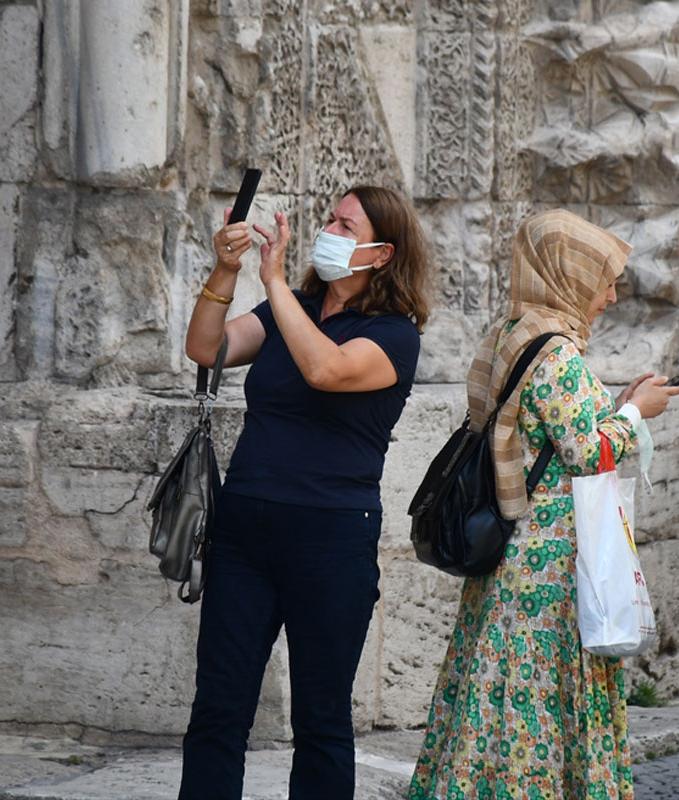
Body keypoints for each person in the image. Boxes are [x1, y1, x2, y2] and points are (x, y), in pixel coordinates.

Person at [408, 209, 679, 799]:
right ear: (568, 276)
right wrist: (636, 414)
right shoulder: (555, 352)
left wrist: (615, 402)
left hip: (512, 562)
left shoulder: (513, 332)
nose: (609, 295)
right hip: (544, 574)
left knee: (493, 697)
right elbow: (587, 451)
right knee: (534, 705)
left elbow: (545, 434)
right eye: (602, 279)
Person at [179, 185, 431, 799]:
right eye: (330, 219)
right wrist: (226, 268)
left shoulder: (395, 334)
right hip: (244, 531)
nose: (328, 230)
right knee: (218, 708)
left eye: (345, 226)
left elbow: (325, 369)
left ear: (380, 252)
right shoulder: (288, 308)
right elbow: (205, 349)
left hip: (331, 538)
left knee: (320, 720)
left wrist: (273, 281)